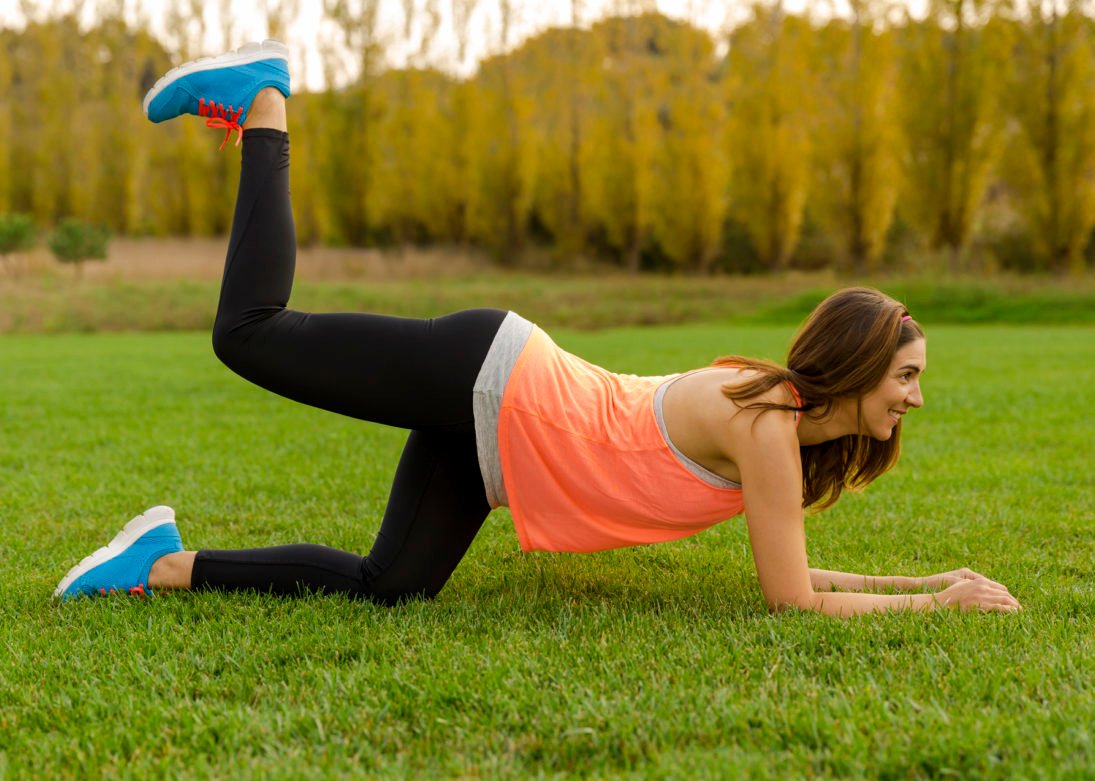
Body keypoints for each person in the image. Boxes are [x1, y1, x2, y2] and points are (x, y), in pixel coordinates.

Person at [54, 41, 1021, 617]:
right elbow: (793, 603)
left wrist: (933, 575)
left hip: (500, 443)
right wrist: (937, 602)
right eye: (905, 375)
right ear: (855, 365)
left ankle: (162, 563)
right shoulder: (769, 422)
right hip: (497, 379)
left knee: (393, 587)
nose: (915, 396)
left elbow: (794, 567)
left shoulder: (786, 432)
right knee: (250, 332)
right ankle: (265, 106)